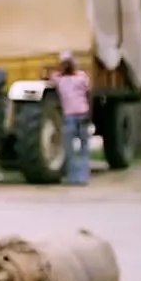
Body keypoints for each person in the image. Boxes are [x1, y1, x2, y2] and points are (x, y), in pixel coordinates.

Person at [54, 54, 93, 186]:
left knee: (69, 149)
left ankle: (72, 177)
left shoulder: (59, 80)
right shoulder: (82, 77)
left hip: (69, 116)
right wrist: (89, 113)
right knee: (84, 147)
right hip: (82, 114)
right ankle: (83, 177)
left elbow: (50, 75)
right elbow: (88, 93)